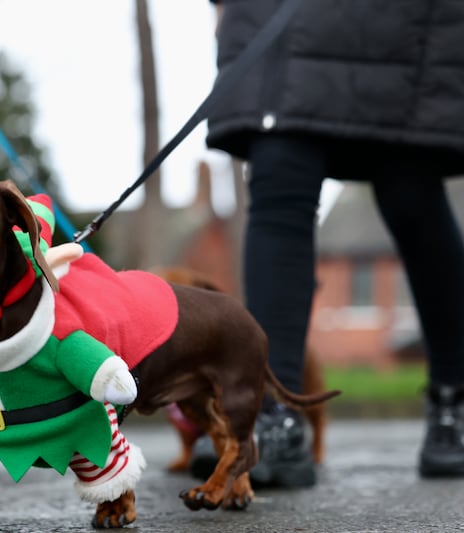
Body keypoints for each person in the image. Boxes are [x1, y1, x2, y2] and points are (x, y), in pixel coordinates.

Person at [191, 0, 464, 486]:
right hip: (282, 17)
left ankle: (453, 400)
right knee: (279, 176)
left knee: (411, 187)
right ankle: (275, 416)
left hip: (406, 22)